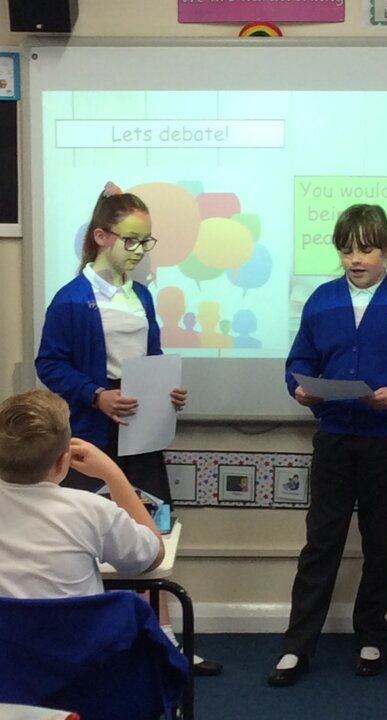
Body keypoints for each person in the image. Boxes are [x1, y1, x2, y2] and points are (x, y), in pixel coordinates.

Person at [35, 182, 222, 676]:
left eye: (146, 241)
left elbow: (151, 357)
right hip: (93, 432)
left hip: (142, 428)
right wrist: (95, 394)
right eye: (132, 240)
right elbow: (49, 363)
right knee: (91, 539)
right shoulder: (71, 300)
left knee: (150, 530)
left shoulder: (142, 296)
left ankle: (164, 641)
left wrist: (168, 391)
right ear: (101, 237)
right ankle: (99, 645)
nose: (140, 250)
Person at [268, 204, 387, 686]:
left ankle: (372, 637)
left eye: (366, 249)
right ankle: (296, 647)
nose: (355, 259)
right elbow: (299, 361)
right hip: (334, 440)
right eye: (346, 249)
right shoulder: (322, 300)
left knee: (380, 543)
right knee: (320, 544)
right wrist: (299, 387)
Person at [0, 388, 165, 597]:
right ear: (63, 461)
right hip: (72, 620)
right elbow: (152, 557)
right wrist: (113, 475)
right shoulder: (92, 510)